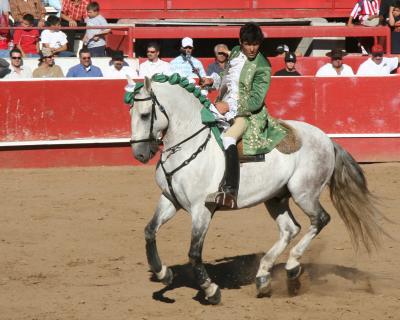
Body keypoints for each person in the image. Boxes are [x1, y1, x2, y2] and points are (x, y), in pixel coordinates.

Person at [201, 22, 271, 209]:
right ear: (240, 42)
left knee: (228, 138)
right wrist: (212, 81)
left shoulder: (263, 66)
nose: (252, 48)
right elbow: (227, 77)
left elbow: (256, 101)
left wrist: (229, 106)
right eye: (248, 44)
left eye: (255, 44)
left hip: (247, 114)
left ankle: (230, 190)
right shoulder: (234, 52)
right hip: (222, 105)